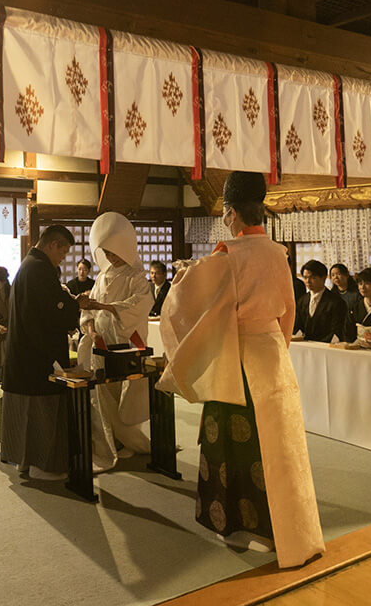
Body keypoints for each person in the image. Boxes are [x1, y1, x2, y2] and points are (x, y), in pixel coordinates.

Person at [157, 171, 324, 568]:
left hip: (240, 359)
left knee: (237, 444)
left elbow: (188, 302)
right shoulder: (277, 253)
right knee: (279, 447)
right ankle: (286, 529)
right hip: (273, 358)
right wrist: (277, 349)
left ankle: (246, 526)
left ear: (232, 213)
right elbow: (289, 311)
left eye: (227, 215)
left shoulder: (229, 254)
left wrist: (182, 275)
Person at [1, 225, 81, 481]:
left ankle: (25, 462)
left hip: (23, 356)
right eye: (64, 251)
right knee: (42, 414)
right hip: (36, 358)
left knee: (25, 417)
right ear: (52, 245)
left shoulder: (28, 265)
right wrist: (74, 306)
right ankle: (43, 467)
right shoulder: (39, 269)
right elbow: (52, 310)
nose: (63, 258)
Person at [78, 213, 155, 472]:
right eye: (106, 253)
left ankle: (131, 440)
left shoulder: (137, 276)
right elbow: (90, 312)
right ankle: (111, 440)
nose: (110, 258)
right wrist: (89, 327)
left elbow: (139, 306)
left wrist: (102, 306)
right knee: (102, 394)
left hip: (125, 342)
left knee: (125, 395)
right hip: (101, 342)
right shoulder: (102, 276)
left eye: (113, 252)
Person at [293, 260, 347, 342]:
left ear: (323, 278)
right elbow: (297, 326)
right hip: (305, 346)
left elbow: (337, 330)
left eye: (313, 277)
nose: (308, 281)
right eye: (305, 277)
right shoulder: (302, 300)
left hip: (325, 347)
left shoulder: (336, 302)